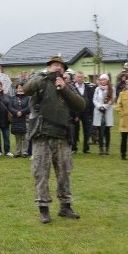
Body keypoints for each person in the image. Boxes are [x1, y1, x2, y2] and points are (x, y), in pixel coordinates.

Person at [23, 56, 85, 224]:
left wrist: (64, 88)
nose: (58, 68)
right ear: (49, 67)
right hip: (41, 134)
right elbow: (26, 89)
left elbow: (81, 105)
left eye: (61, 66)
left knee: (64, 173)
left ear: (64, 71)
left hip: (62, 136)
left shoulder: (67, 87)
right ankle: (43, 208)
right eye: (55, 65)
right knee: (41, 173)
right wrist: (42, 77)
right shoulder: (40, 82)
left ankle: (65, 206)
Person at [71, 71, 95, 154]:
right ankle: (74, 148)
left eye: (81, 77)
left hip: (86, 112)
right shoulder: (72, 87)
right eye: (78, 77)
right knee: (75, 131)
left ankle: (86, 148)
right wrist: (74, 114)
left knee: (87, 131)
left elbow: (91, 100)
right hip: (76, 113)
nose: (80, 78)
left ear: (83, 78)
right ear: (75, 78)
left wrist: (91, 113)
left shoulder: (88, 88)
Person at [92, 74, 115, 155]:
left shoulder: (111, 89)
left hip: (107, 111)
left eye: (104, 80)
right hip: (99, 111)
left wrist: (105, 106)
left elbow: (112, 99)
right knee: (100, 131)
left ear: (107, 80)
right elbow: (94, 99)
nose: (102, 81)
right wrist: (100, 107)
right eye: (101, 80)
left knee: (107, 131)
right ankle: (101, 148)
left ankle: (107, 148)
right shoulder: (97, 89)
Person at [0, 81, 13, 156]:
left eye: (0, 85)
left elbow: (10, 106)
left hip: (5, 119)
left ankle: (7, 151)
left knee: (6, 136)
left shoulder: (7, 96)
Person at [9, 83, 31, 157]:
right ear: (16, 89)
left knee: (25, 136)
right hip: (16, 119)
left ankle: (25, 152)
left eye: (22, 88)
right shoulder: (13, 98)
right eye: (19, 88)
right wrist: (16, 112)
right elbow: (10, 107)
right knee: (17, 136)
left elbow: (29, 107)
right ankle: (18, 152)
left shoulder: (28, 98)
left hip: (25, 119)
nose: (20, 89)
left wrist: (22, 112)